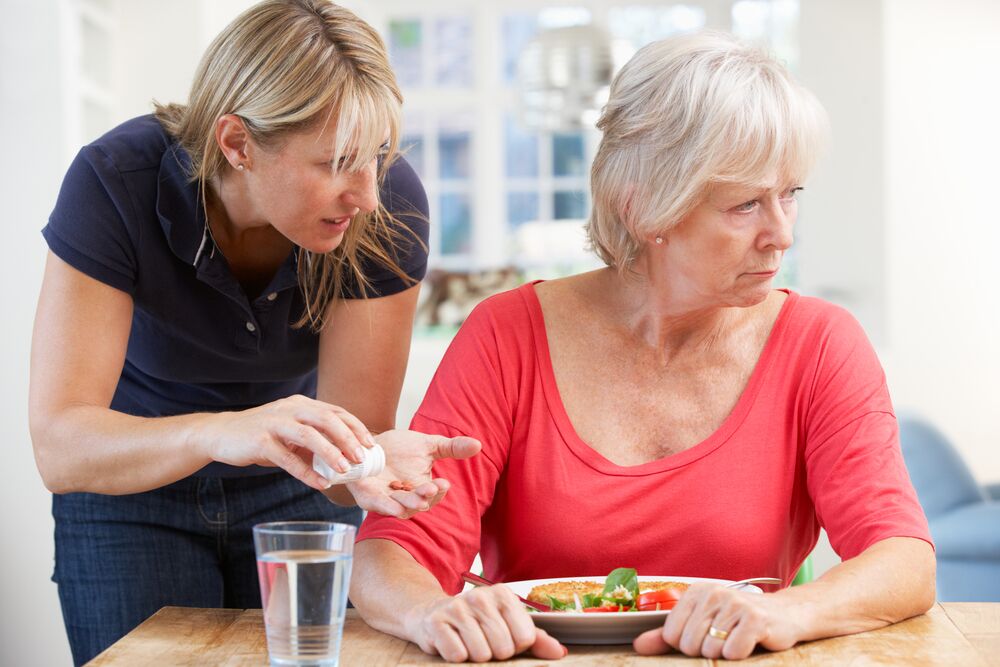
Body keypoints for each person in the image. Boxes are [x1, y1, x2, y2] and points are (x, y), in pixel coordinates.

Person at [350, 32, 936, 662]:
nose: (782, 234)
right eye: (745, 205)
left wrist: (786, 611)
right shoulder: (506, 335)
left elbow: (902, 558)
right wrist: (432, 614)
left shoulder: (821, 344)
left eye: (790, 194)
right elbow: (390, 553)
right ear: (644, 208)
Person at [28, 1, 480, 664]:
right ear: (238, 144)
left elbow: (339, 470)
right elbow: (61, 447)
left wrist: (370, 463)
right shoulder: (113, 182)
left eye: (377, 158)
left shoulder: (386, 207)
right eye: (336, 161)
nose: (369, 196)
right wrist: (220, 431)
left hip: (296, 490)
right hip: (131, 498)